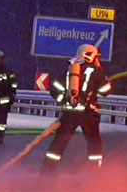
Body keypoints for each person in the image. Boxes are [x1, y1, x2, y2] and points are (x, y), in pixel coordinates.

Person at [41, 44, 112, 174]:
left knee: (59, 143)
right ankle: (95, 174)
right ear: (91, 56)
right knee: (94, 143)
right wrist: (104, 78)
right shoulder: (96, 71)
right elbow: (105, 91)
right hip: (88, 114)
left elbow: (55, 88)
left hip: (69, 113)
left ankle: (47, 172)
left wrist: (64, 100)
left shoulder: (70, 69)